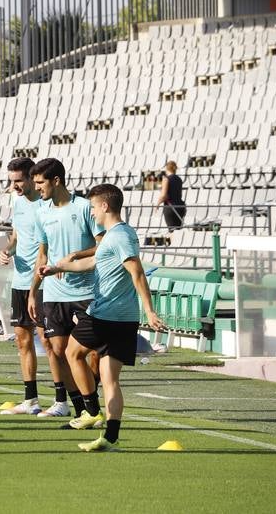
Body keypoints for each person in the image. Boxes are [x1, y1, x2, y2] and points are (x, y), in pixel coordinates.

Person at [38, 183, 167, 450]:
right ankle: (109, 437)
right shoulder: (117, 235)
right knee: (109, 379)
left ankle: (91, 409)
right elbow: (93, 262)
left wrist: (151, 310)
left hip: (104, 314)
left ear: (105, 206)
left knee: (71, 353)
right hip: (123, 318)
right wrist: (58, 267)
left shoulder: (118, 236)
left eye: (94, 207)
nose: (92, 213)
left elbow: (137, 272)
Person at [27, 157, 104, 422]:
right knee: (58, 352)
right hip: (54, 294)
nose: (37, 188)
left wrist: (75, 256)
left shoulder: (84, 208)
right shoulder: (41, 211)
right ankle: (82, 409)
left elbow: (102, 245)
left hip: (86, 292)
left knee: (89, 353)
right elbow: (43, 252)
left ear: (56, 180)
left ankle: (91, 402)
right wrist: (32, 290)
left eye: (40, 183)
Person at [0, 157, 61, 415]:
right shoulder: (17, 202)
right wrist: (8, 250)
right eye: (11, 181)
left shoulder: (47, 205)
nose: (14, 186)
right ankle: (31, 400)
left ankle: (61, 401)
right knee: (23, 341)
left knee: (48, 342)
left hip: (43, 283)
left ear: (32, 177)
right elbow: (17, 234)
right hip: (20, 280)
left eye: (18, 180)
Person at [156, 161, 186, 232]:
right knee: (178, 230)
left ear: (167, 169)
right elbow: (180, 194)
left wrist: (157, 204)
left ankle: (173, 243)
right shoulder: (179, 179)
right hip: (180, 206)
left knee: (172, 231)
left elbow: (164, 195)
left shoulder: (166, 179)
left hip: (170, 208)